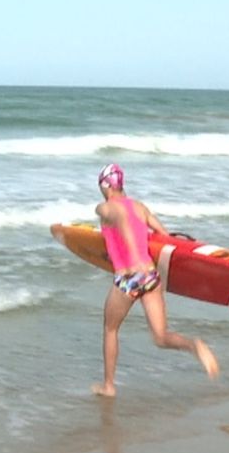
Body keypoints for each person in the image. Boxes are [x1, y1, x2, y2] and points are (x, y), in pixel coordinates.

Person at [91, 163, 218, 397]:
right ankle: (194, 345)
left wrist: (125, 242)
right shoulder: (140, 207)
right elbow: (165, 237)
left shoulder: (104, 208)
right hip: (150, 275)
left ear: (106, 185)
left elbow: (118, 217)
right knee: (160, 337)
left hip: (128, 278)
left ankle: (108, 386)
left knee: (110, 329)